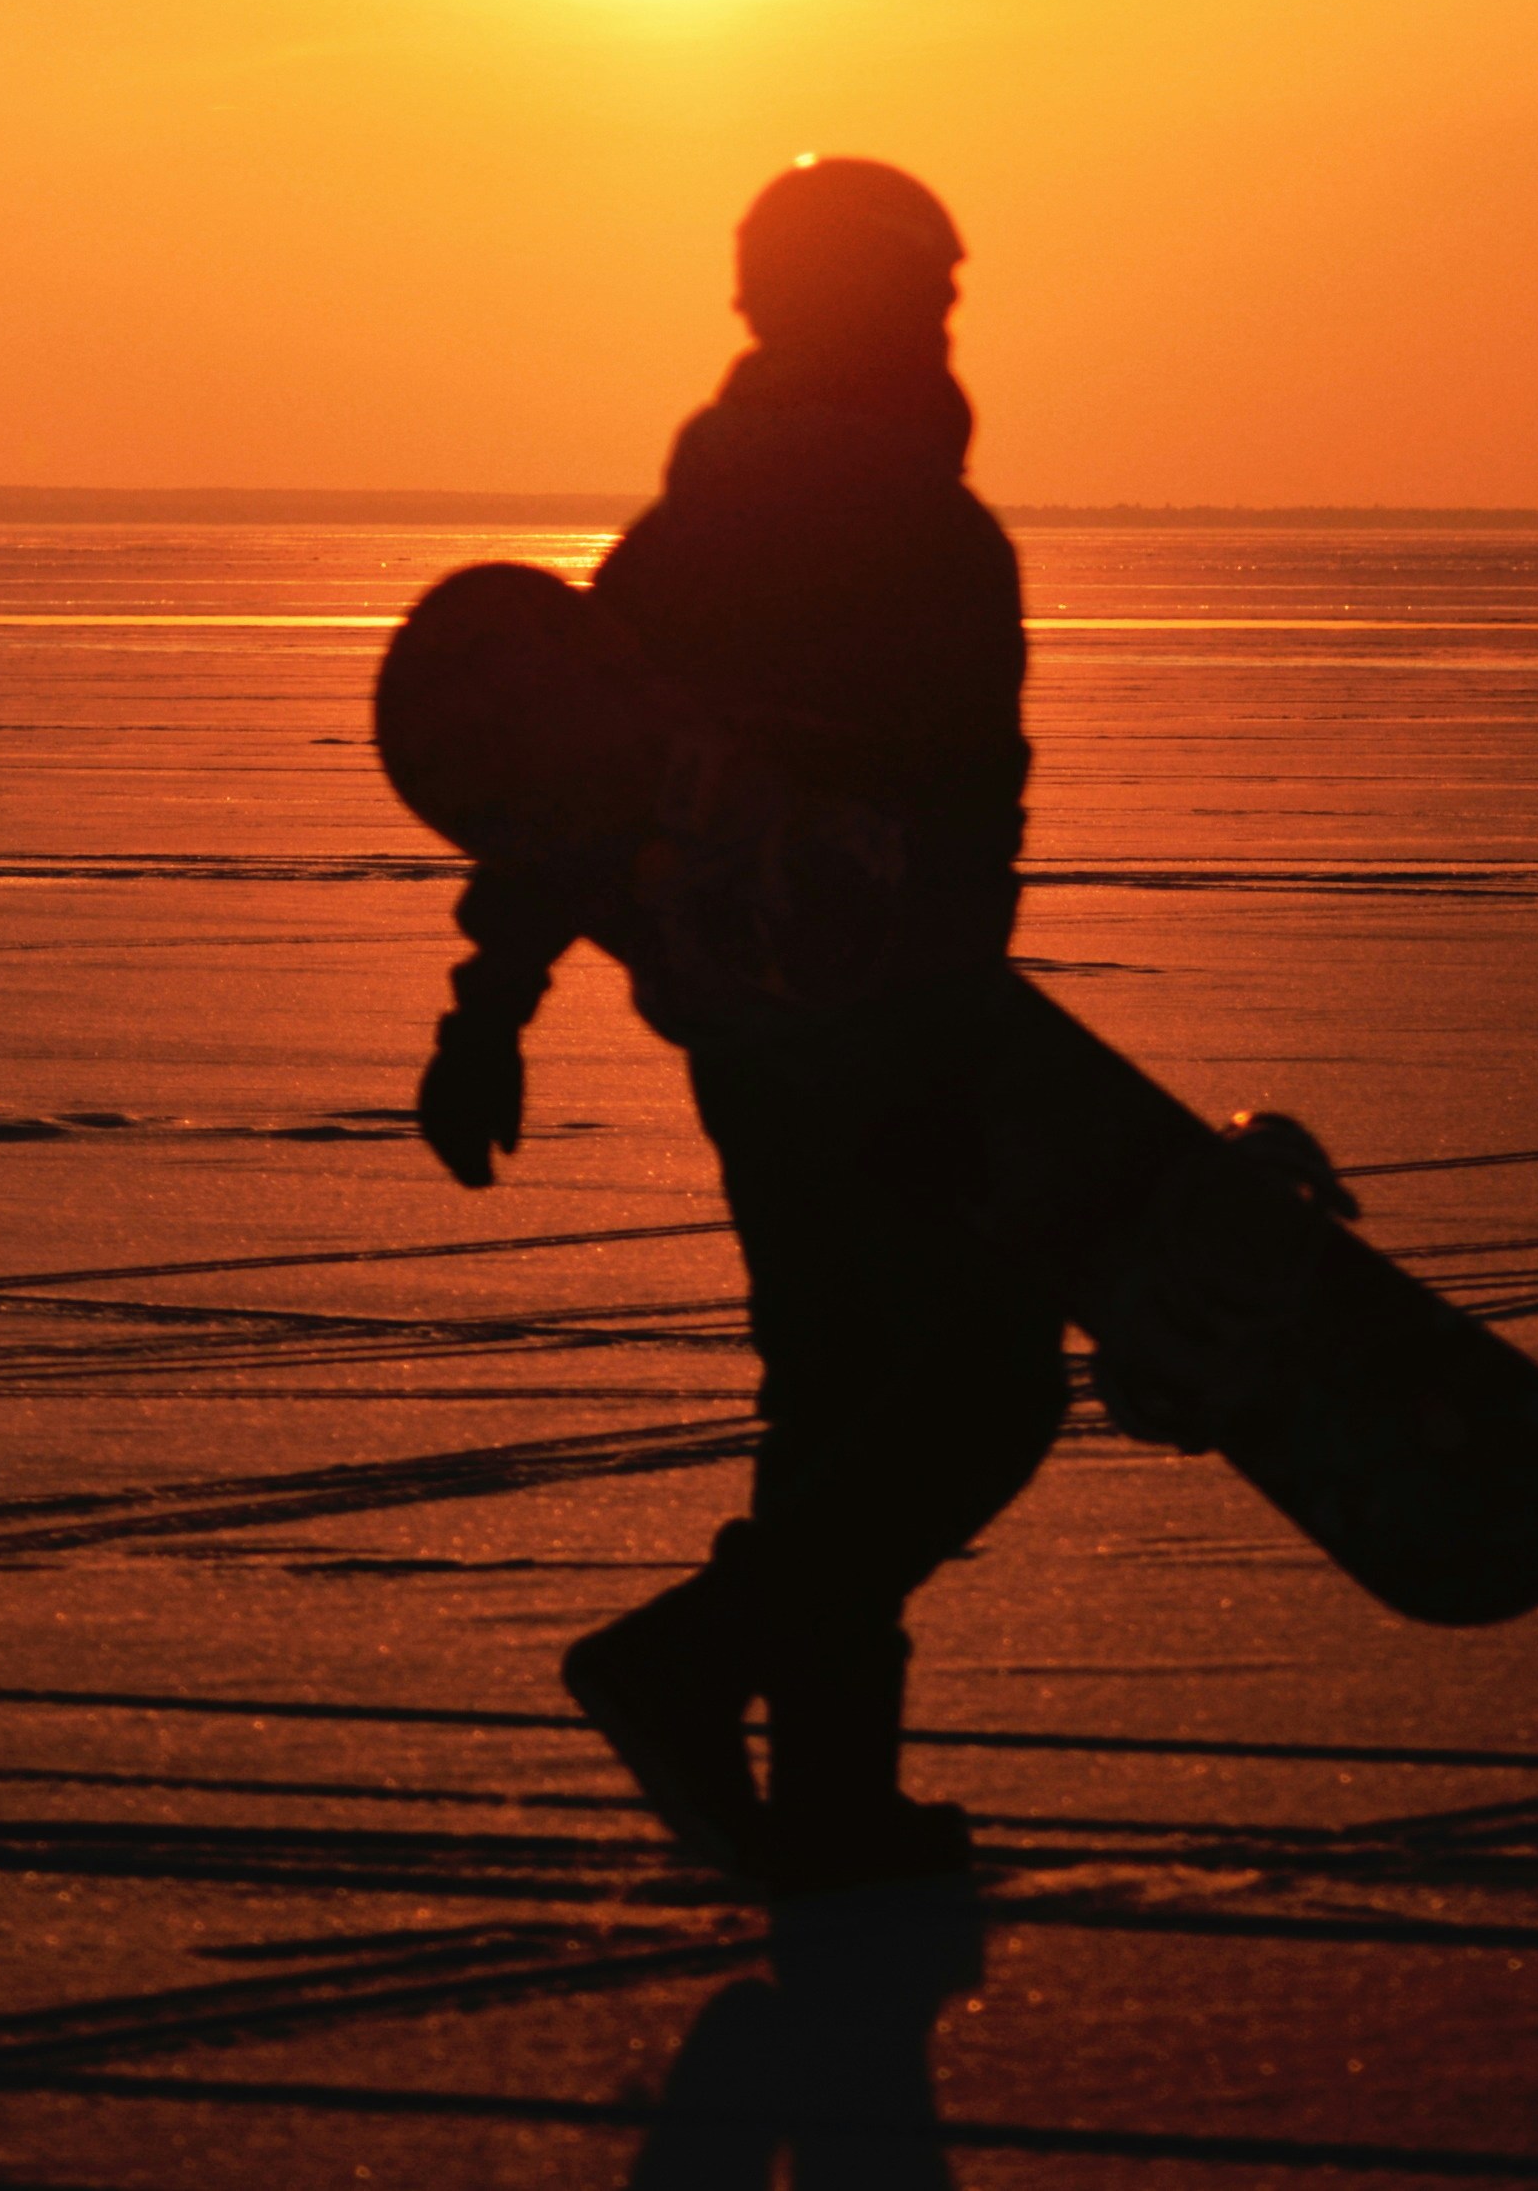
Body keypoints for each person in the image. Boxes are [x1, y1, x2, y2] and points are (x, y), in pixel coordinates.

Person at [417, 157, 1066, 1892]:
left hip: (755, 1032)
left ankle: (831, 1800)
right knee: (979, 1392)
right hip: (867, 1030)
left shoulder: (700, 527)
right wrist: (935, 1040)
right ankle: (702, 1665)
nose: (943, 315)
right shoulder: (908, 533)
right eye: (917, 287)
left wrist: (490, 1007)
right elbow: (945, 820)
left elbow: (566, 765)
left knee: (841, 1393)